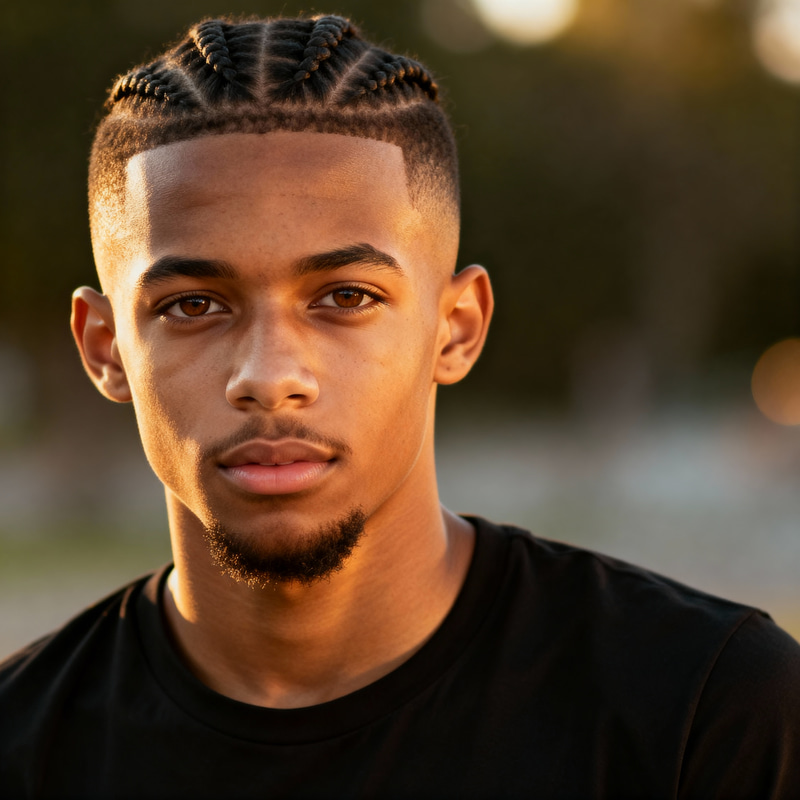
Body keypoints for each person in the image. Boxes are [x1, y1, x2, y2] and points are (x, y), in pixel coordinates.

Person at [1, 14, 798, 799]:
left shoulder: (710, 715)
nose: (271, 375)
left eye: (345, 296)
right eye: (193, 306)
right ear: (105, 348)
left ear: (456, 329)